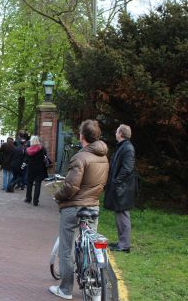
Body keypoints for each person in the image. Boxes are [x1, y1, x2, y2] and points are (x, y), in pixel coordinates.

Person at [49, 119, 109, 300]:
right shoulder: (104, 157)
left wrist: (58, 195)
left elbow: (71, 187)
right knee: (90, 244)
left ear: (81, 135)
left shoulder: (80, 157)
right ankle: (96, 289)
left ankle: (66, 289)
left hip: (74, 208)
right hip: (93, 206)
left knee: (66, 249)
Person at [104, 124, 138, 253]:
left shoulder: (127, 148)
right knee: (120, 214)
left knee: (123, 214)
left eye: (117, 130)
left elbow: (127, 168)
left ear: (121, 134)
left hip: (123, 188)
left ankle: (124, 245)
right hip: (121, 186)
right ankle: (122, 242)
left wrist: (116, 181)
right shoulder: (123, 147)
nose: (115, 132)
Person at [24, 135, 48, 206]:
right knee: (38, 185)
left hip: (31, 169)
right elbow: (45, 157)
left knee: (29, 184)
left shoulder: (28, 150)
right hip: (39, 168)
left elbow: (26, 160)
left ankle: (28, 199)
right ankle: (35, 201)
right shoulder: (42, 149)